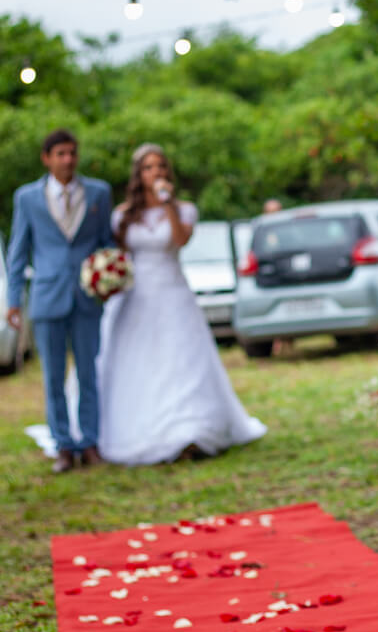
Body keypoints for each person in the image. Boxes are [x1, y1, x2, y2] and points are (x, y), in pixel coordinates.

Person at [96, 143, 266, 464]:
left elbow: (180, 240)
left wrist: (168, 204)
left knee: (182, 362)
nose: (156, 172)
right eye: (149, 168)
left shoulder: (184, 209)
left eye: (161, 166)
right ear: (138, 175)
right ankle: (142, 429)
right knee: (138, 363)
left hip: (172, 293)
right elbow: (118, 254)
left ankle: (190, 432)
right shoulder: (123, 215)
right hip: (134, 297)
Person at [6, 129, 113, 473]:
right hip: (47, 296)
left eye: (72, 153)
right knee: (53, 377)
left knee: (88, 373)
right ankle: (63, 445)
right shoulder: (27, 197)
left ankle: (90, 442)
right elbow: (18, 250)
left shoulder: (98, 193)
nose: (68, 160)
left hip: (87, 297)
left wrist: (109, 277)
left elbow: (106, 243)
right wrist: (13, 301)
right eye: (61, 154)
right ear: (47, 158)